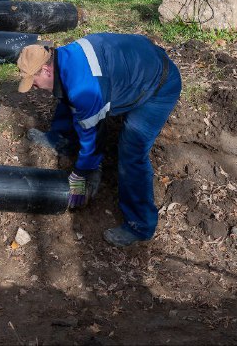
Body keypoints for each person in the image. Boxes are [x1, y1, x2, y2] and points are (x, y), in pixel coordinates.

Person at [17, 34, 181, 247]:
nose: (33, 87)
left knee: (132, 153)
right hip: (138, 66)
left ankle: (140, 225)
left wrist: (83, 173)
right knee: (65, 95)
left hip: (158, 88)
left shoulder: (83, 88)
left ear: (47, 69)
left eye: (34, 81)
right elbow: (72, 95)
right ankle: (59, 140)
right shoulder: (63, 57)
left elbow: (93, 137)